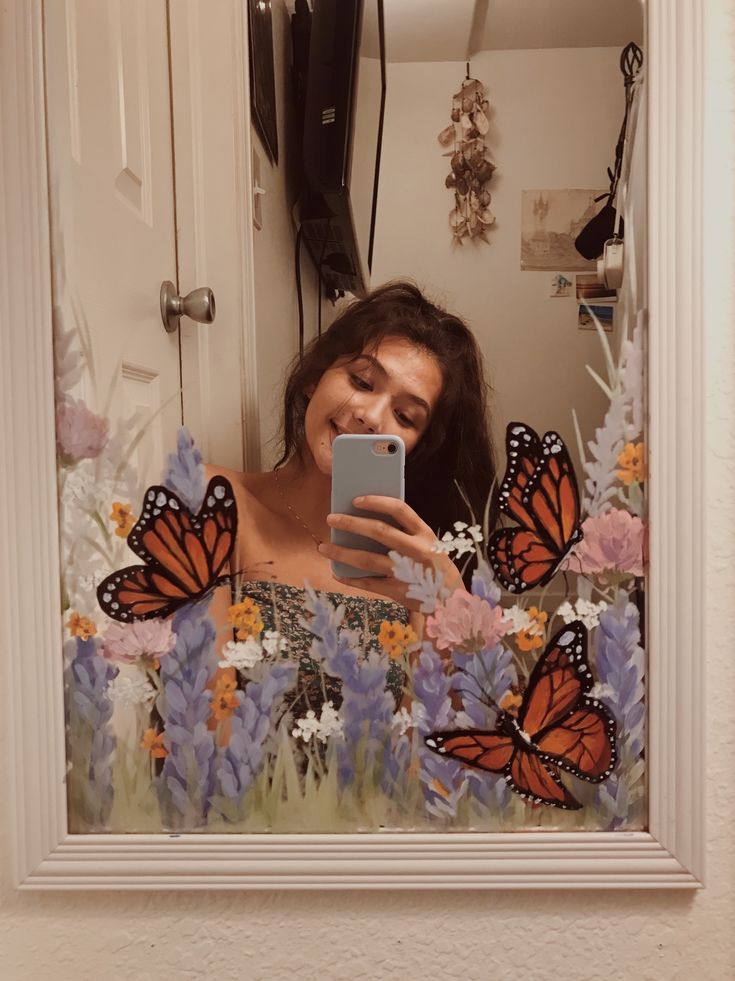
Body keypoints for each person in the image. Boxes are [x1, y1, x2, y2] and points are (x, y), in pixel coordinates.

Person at [207, 280, 498, 711]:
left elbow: (440, 749)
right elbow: (203, 725)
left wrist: (452, 604)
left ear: (416, 447)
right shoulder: (218, 500)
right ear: (312, 379)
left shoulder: (410, 564)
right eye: (362, 381)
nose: (371, 416)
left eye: (405, 415)